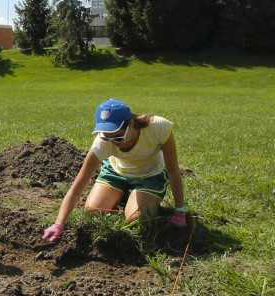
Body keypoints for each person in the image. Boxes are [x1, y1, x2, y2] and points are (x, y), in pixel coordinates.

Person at [41, 99, 186, 244]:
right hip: (116, 173)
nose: (112, 141)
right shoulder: (102, 143)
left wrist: (180, 210)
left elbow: (173, 170)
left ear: (131, 123)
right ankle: (123, 196)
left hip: (149, 176)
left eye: (117, 136)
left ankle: (138, 201)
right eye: (106, 135)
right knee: (92, 211)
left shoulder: (159, 128)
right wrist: (58, 224)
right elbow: (77, 187)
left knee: (136, 220)